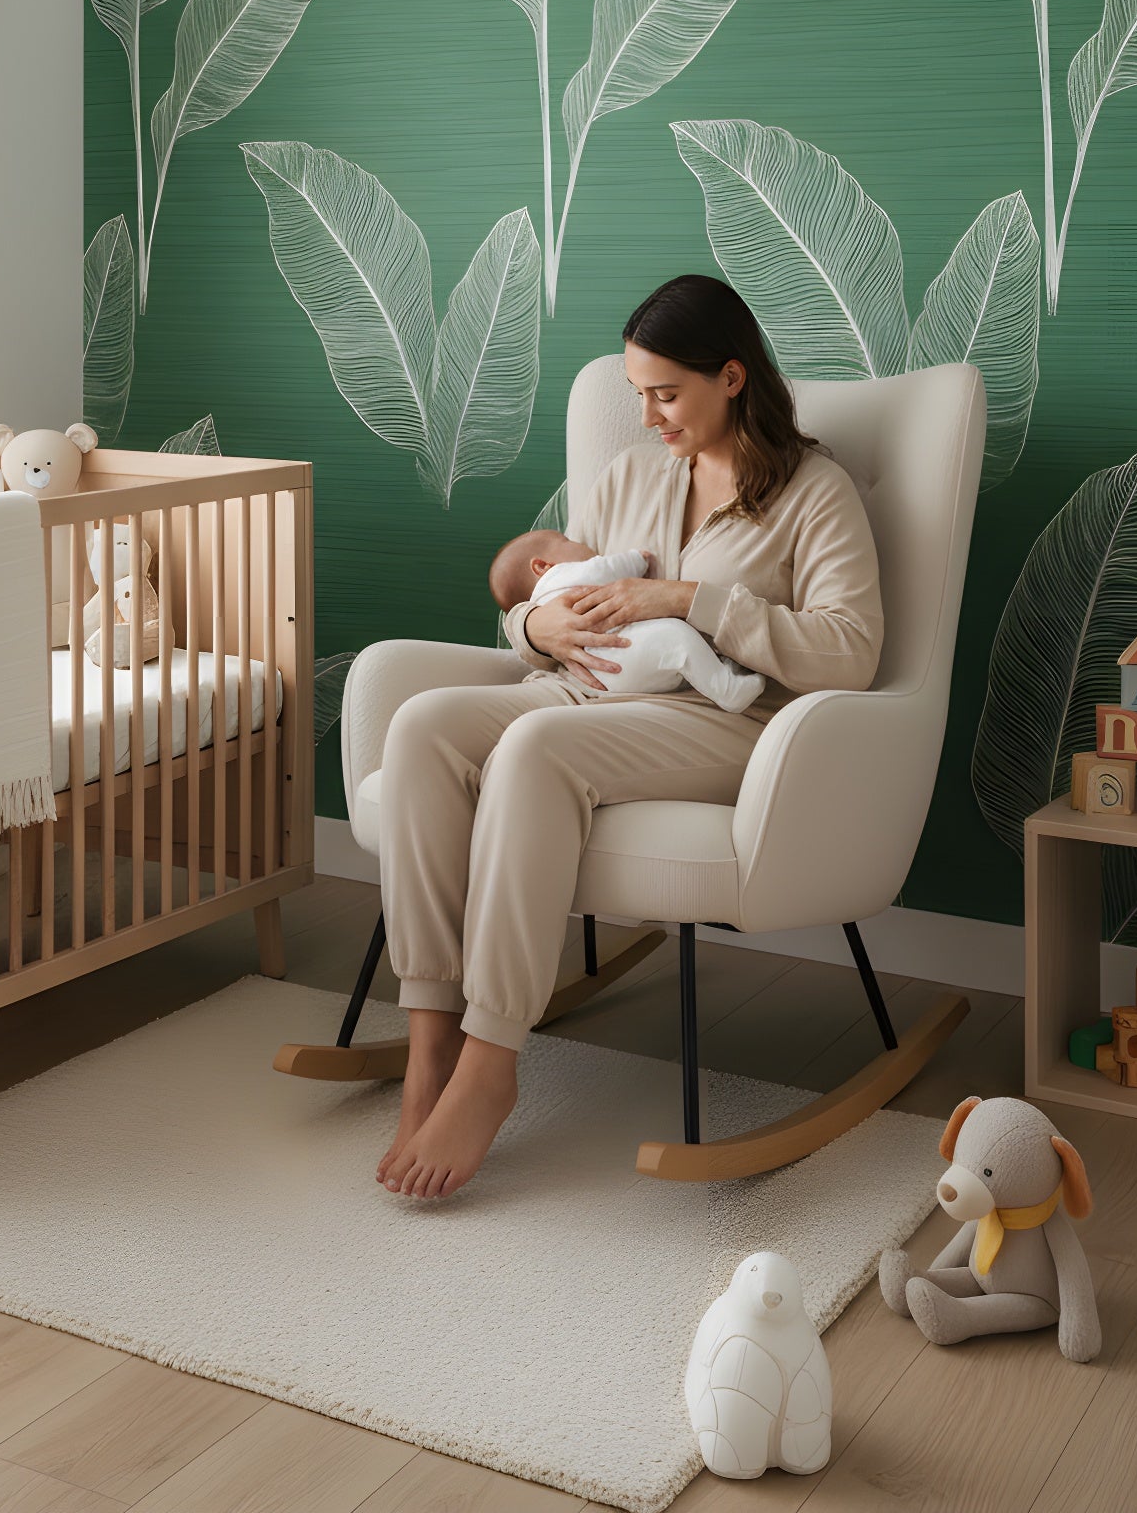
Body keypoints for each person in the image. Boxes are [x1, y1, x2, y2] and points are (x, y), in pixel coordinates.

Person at [376, 272, 883, 1201]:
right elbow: (547, 592)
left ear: (731, 376)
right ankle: (428, 1045)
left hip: (726, 723)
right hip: (584, 694)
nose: (649, 415)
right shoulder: (627, 477)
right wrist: (538, 632)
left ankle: (489, 1063)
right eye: (638, 393)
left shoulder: (816, 493)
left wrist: (692, 600)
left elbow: (850, 652)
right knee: (421, 728)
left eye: (665, 393)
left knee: (531, 755)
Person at [490, 530, 763, 715]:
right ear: (542, 566)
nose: (581, 541)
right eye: (567, 539)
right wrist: (636, 560)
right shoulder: (560, 576)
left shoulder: (545, 600)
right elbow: (605, 569)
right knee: (676, 638)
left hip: (600, 680)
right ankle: (728, 690)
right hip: (624, 650)